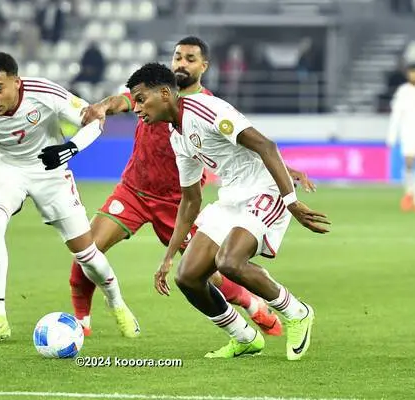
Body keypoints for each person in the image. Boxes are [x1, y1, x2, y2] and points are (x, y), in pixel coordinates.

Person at [70, 37, 316, 337]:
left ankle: (253, 304)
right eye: (177, 57)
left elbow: (249, 146)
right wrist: (101, 107)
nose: (181, 64)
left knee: (209, 271)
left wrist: (287, 176)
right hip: (134, 190)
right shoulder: (149, 93)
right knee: (87, 251)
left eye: (189, 58)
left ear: (204, 66)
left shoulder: (207, 107)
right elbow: (120, 101)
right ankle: (83, 324)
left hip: (178, 202)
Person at [0, 52, 139, 341]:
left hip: (49, 169)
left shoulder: (43, 92)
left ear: (16, 82)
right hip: (4, 169)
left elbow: (95, 119)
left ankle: (116, 303)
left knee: (86, 254)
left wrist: (70, 147)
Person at [126, 62, 330, 360]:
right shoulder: (177, 135)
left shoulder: (206, 111)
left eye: (141, 99)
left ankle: (297, 312)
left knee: (229, 262)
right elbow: (190, 200)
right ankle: (244, 337)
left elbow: (266, 146)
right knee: (189, 277)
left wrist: (291, 202)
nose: (136, 108)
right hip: (232, 197)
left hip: (266, 189)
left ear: (166, 93)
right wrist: (168, 257)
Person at [387, 63, 415, 214]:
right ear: (408, 74)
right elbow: (396, 115)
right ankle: (410, 191)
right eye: (412, 73)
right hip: (409, 133)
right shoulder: (403, 91)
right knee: (409, 163)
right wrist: (392, 136)